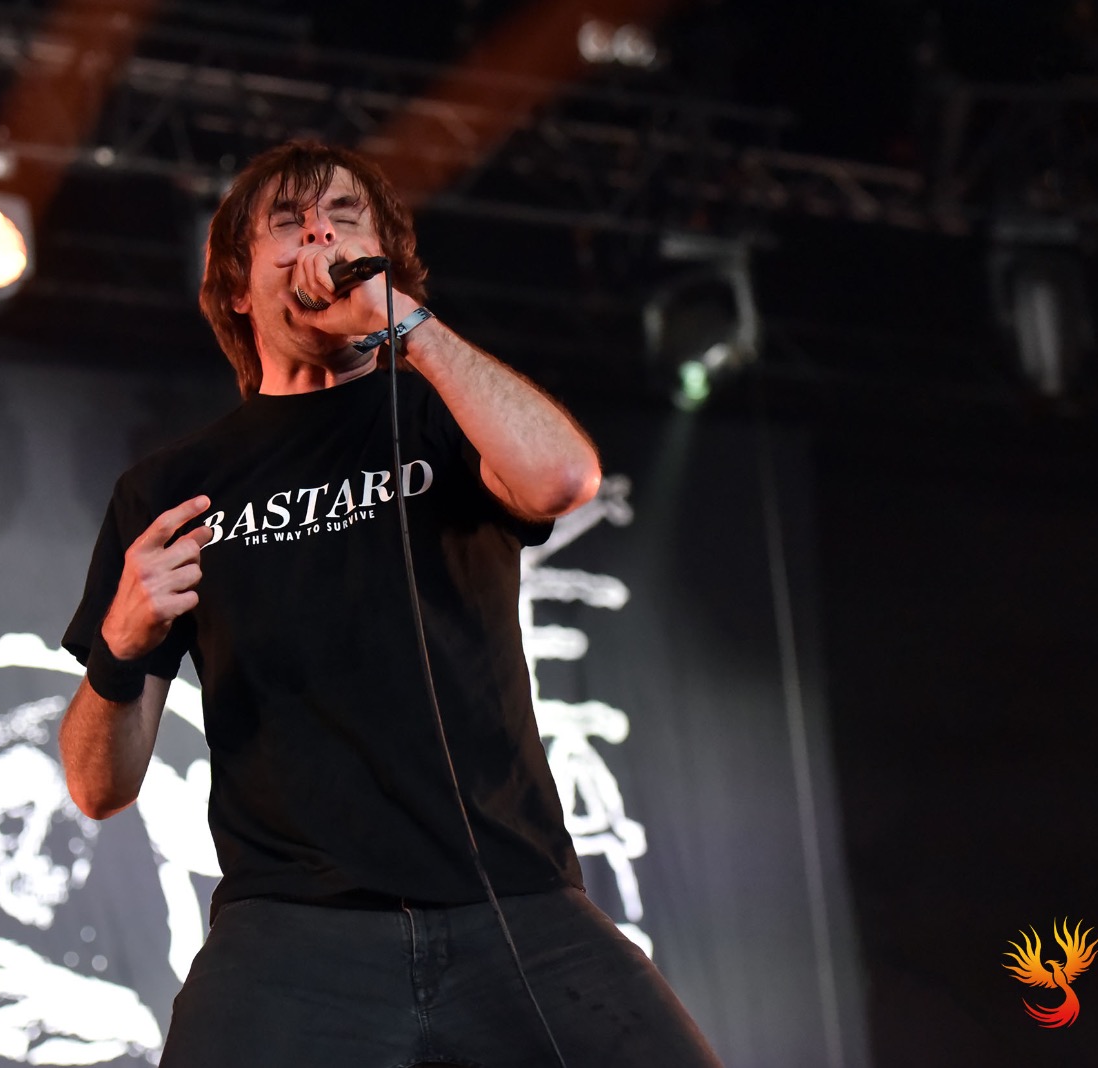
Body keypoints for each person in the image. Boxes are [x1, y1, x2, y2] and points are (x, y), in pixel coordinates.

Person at [58, 139, 721, 1068]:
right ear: (236, 287)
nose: (320, 236)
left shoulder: (447, 416)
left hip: (511, 900)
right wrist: (120, 647)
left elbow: (564, 478)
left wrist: (407, 325)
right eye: (288, 224)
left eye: (344, 219)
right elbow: (99, 788)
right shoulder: (169, 489)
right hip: (292, 931)